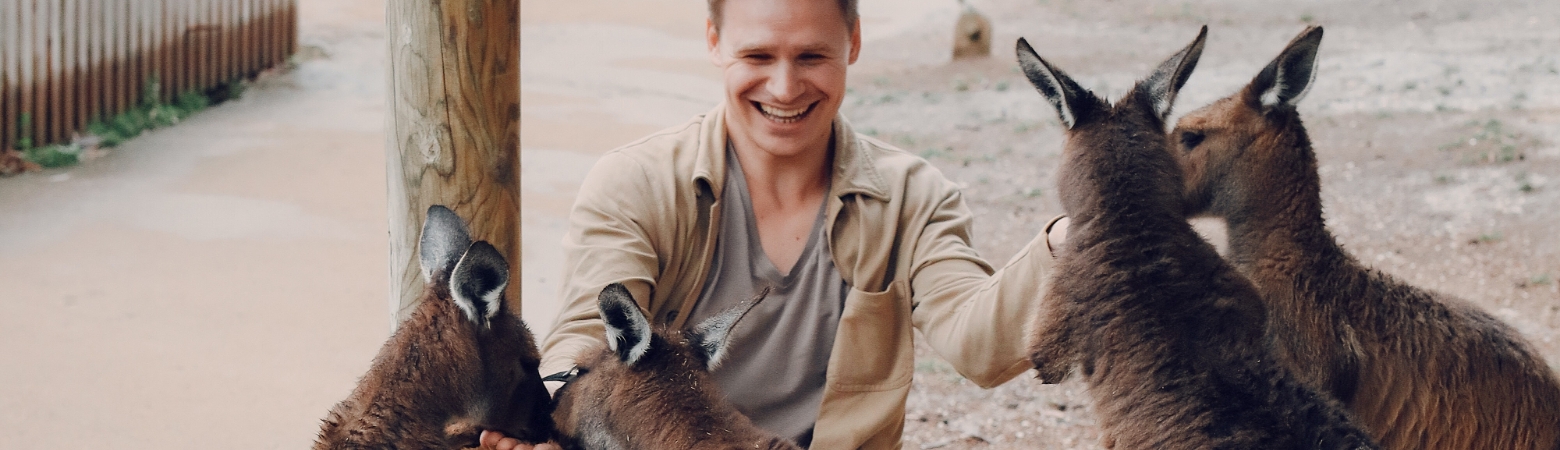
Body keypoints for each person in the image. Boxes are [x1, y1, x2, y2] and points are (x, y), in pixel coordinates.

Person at [484, 0, 1066, 448]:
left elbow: (980, 347)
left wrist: (1075, 237)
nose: (785, 88)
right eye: (758, 57)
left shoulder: (915, 196)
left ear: (854, 41)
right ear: (714, 42)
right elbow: (583, 334)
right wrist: (549, 420)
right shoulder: (633, 182)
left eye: (811, 56)